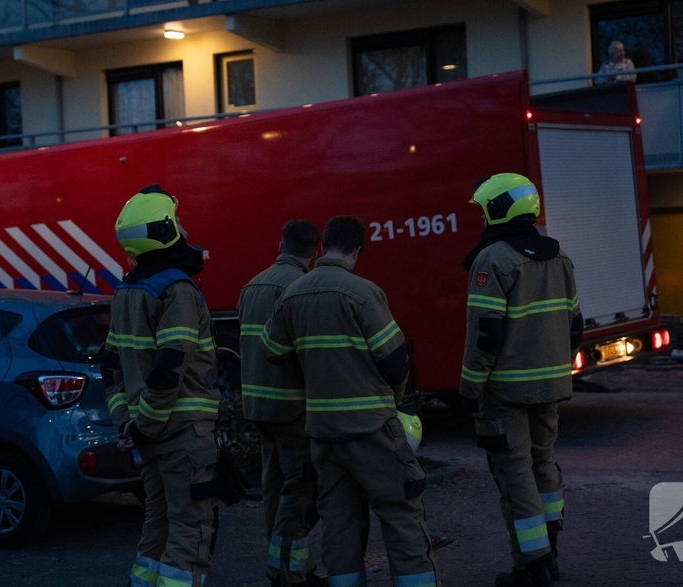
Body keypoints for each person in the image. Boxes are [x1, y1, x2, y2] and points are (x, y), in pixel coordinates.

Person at [262, 216, 440, 587]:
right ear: (357, 250)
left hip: (323, 434)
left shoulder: (292, 294)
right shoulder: (363, 293)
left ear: (323, 247)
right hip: (371, 428)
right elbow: (395, 361)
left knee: (339, 522)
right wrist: (393, 403)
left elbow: (272, 351)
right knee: (400, 512)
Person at [459, 173, 582, 587]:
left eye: (483, 211)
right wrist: (557, 367)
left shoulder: (492, 259)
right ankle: (550, 554)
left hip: (506, 390)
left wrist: (470, 386)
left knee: (515, 474)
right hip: (550, 388)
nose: (481, 219)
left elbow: (486, 333)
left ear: (498, 209)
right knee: (543, 463)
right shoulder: (559, 256)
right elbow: (575, 324)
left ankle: (532, 567)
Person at [101, 184, 221, 587]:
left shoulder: (126, 291)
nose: (184, 228)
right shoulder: (177, 290)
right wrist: (144, 426)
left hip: (148, 438)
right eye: (177, 220)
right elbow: (170, 366)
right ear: (163, 230)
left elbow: (112, 366)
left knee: (158, 524)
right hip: (182, 435)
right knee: (190, 532)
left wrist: (128, 423)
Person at [238, 220, 324, 587]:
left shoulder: (252, 286)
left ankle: (287, 568)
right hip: (292, 409)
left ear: (280, 245)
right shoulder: (300, 287)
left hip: (258, 407)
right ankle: (287, 573)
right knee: (300, 491)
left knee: (274, 488)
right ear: (315, 253)